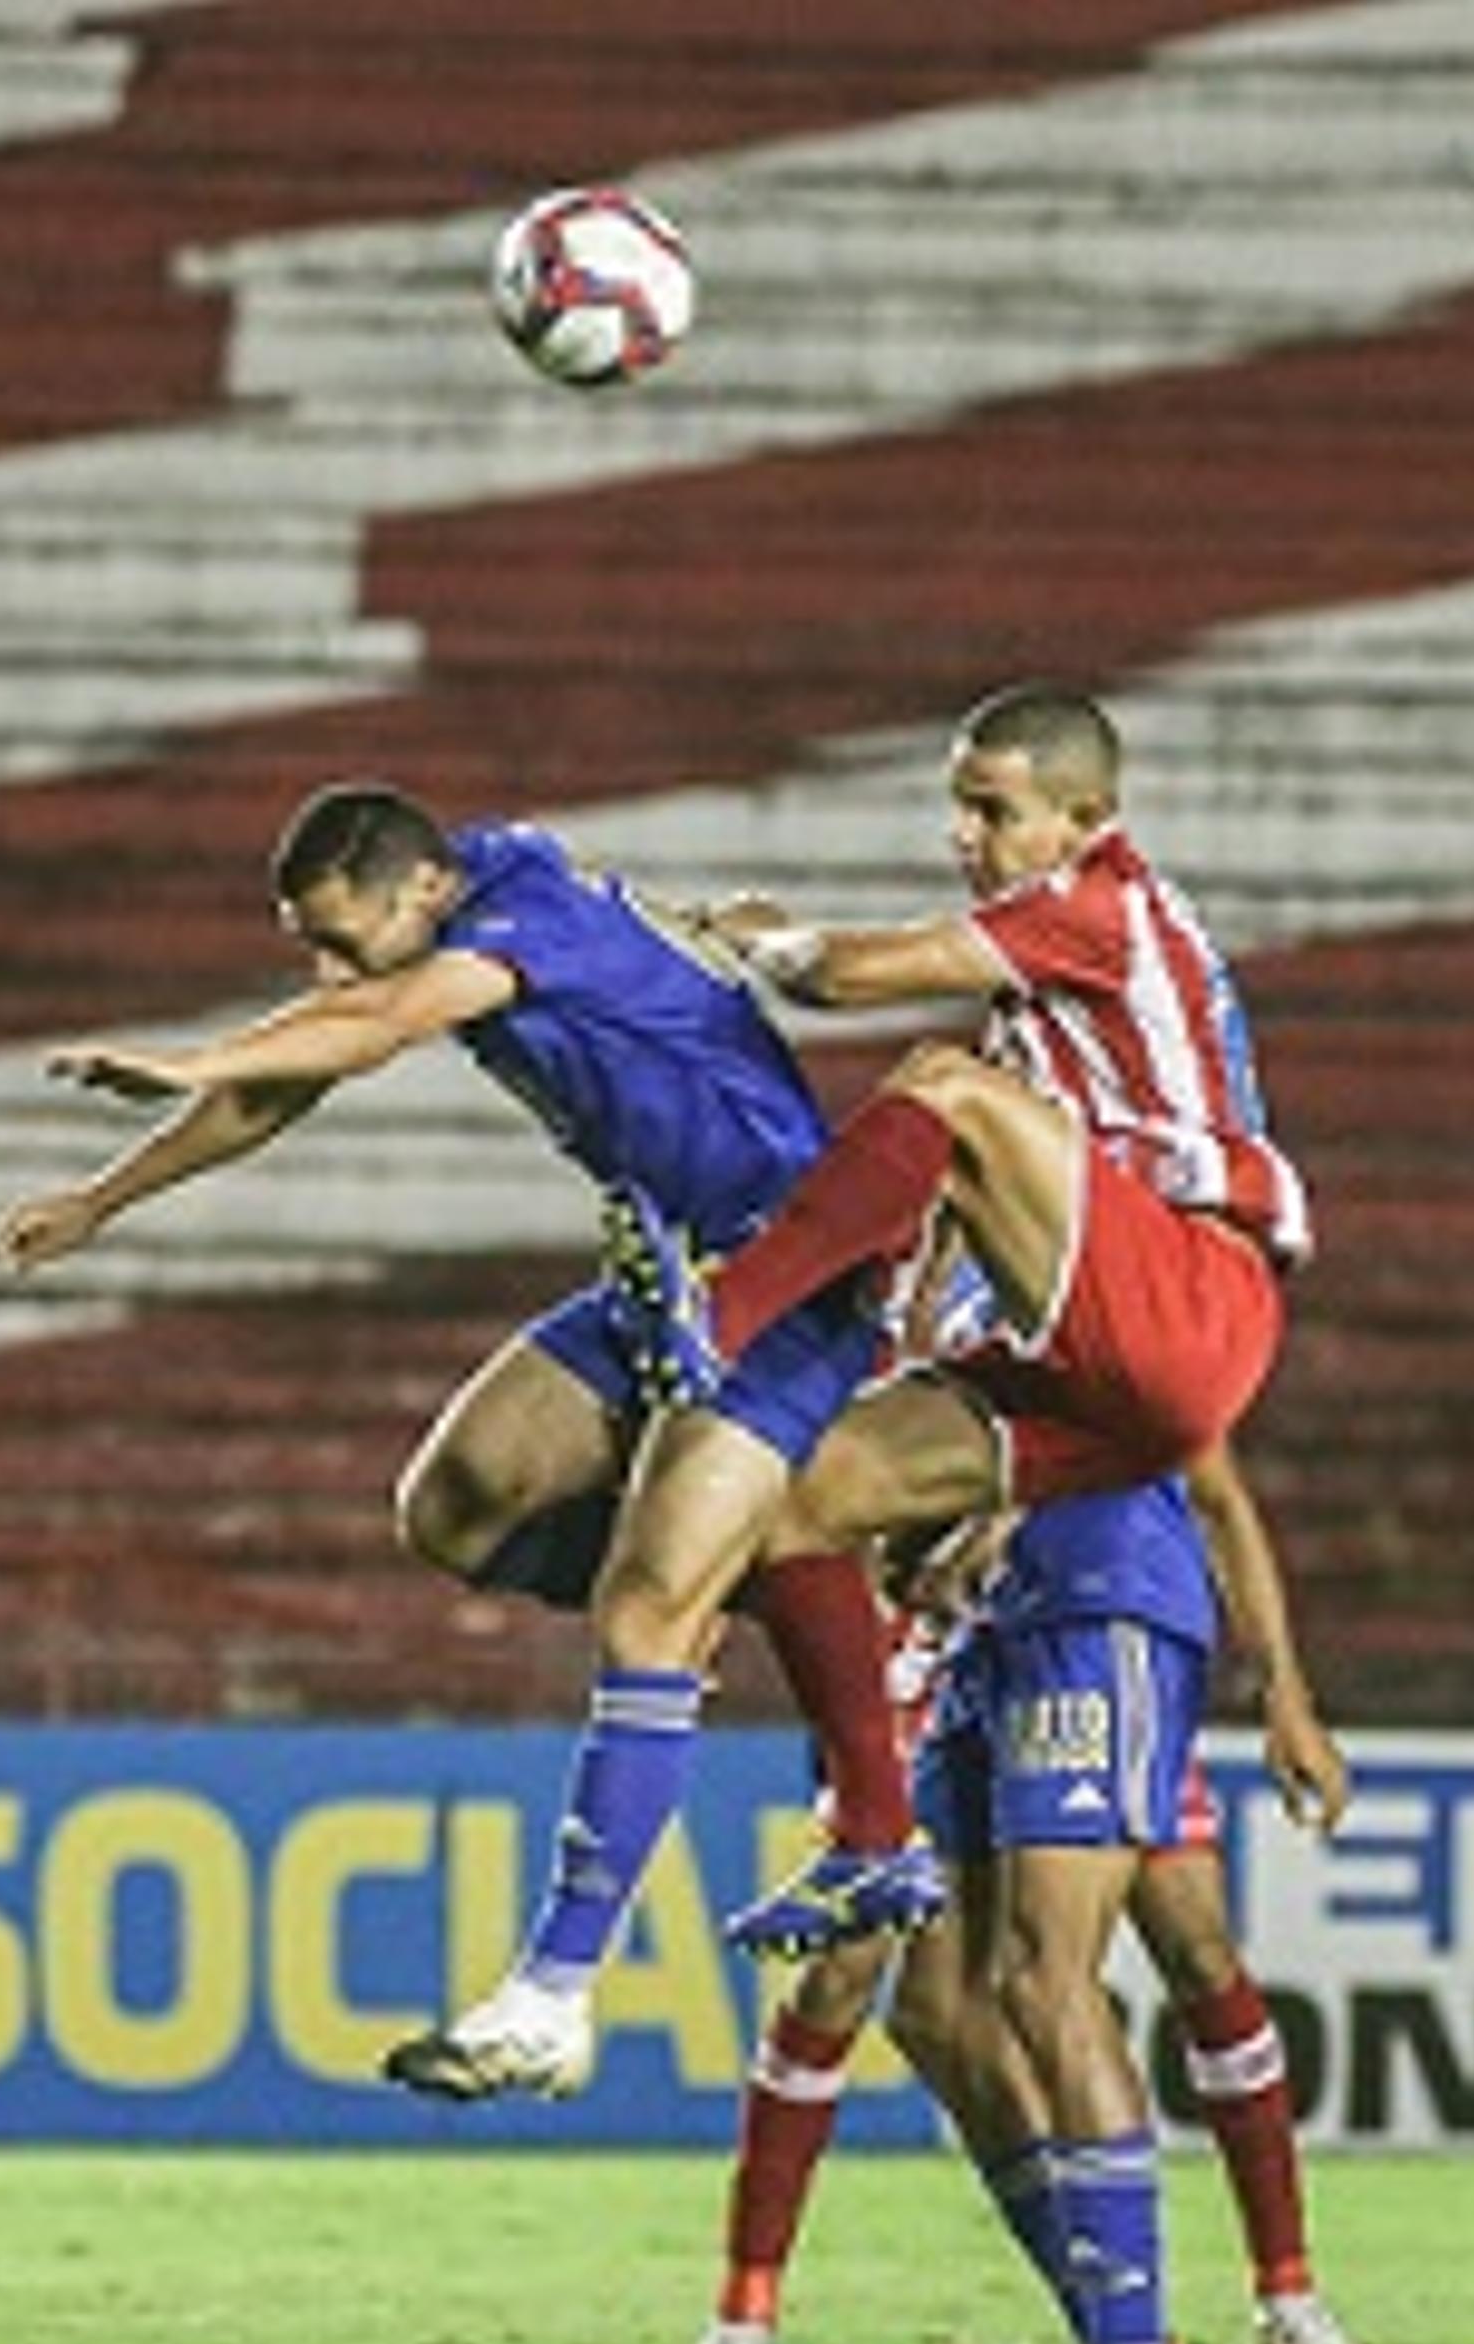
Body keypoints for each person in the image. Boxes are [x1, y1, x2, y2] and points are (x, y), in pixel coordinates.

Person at [393, 680, 1314, 2100]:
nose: (968, 833)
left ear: (1086, 816)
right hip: (1099, 1375)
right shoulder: (1044, 1022)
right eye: (958, 803)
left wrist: (764, 940)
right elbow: (958, 1221)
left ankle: (728, 1308)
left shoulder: (1098, 902)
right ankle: (871, 1841)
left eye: (994, 807)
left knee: (934, 1088)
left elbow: (839, 977)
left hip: (1196, 1293)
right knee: (795, 1504)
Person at [0, 784, 941, 1994]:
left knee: (647, 1609)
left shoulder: (522, 920)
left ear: (424, 893)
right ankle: (748, 1575)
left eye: (340, 939)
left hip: (787, 1268)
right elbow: (300, 1071)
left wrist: (193, 1051)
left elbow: (381, 1018)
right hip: (672, 1270)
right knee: (458, 1499)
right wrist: (102, 1200)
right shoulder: (475, 879)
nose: (329, 968)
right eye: (309, 946)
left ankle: (568, 1980)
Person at [668, 1473, 1375, 2344]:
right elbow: (778, 1475)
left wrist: (1283, 1690)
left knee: (1193, 1949)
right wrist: (701, 1605)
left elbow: (1202, 1479)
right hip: (921, 1654)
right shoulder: (863, 1346)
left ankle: (1283, 2290)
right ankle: (746, 2318)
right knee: (878, 1983)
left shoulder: (1097, 1365)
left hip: (1078, 1635)